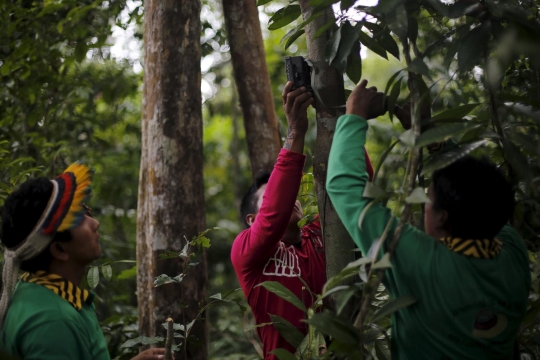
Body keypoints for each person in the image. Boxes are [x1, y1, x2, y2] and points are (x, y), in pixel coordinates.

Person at [326, 79, 530, 359]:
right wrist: (433, 136)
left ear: (441, 217)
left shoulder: (419, 262)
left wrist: (353, 116)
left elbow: (345, 189)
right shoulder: (512, 252)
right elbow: (477, 194)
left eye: (428, 200)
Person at [231, 82, 374, 359]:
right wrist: (295, 132)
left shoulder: (322, 234)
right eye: (269, 197)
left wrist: (346, 119)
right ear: (251, 219)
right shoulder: (246, 252)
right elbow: (274, 215)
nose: (288, 199)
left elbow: (356, 191)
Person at [0, 164, 167, 360]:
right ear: (60, 250)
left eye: (87, 212)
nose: (95, 223)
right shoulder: (54, 321)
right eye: (80, 219)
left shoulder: (35, 289)